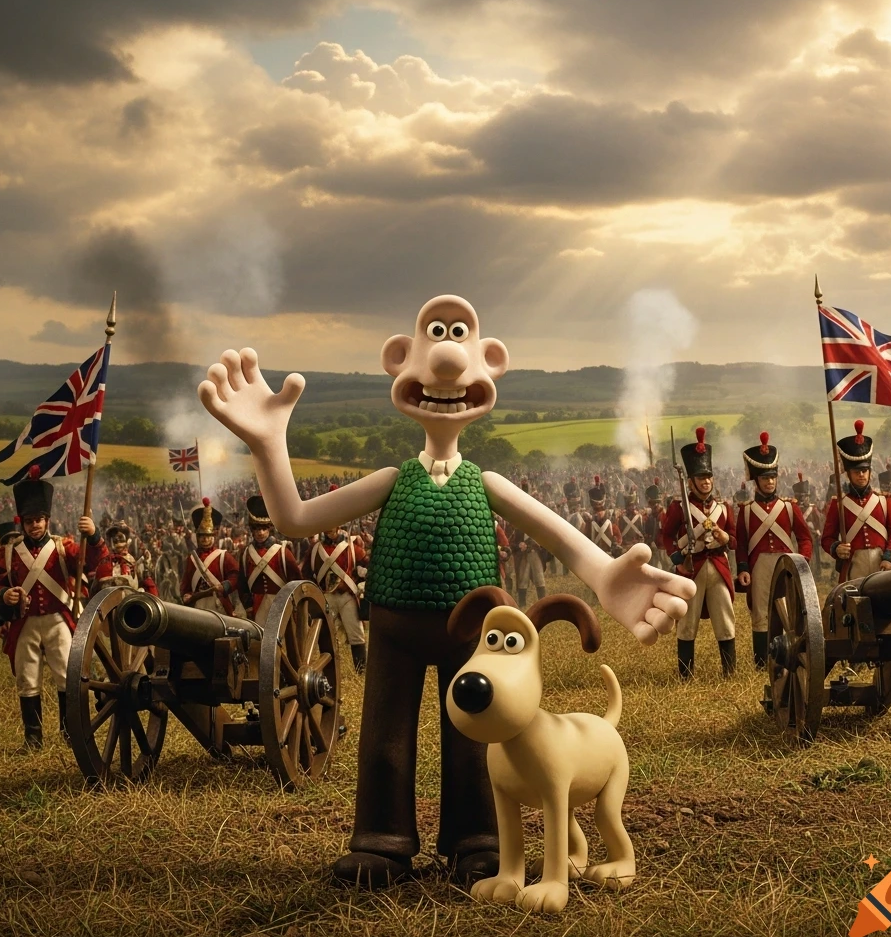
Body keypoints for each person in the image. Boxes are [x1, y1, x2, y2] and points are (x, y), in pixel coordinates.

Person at [198, 294, 694, 890]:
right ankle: (381, 839)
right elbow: (297, 519)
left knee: (476, 734)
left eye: (461, 338)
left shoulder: (487, 482)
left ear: (490, 362)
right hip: (395, 622)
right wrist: (267, 445)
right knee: (385, 734)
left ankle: (478, 837)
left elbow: (559, 538)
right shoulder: (392, 480)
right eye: (436, 336)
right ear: (400, 359)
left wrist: (606, 576)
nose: (450, 361)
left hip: (477, 629)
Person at [0, 468, 104, 749]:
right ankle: (33, 738)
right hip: (25, 622)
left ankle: (67, 731)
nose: (34, 526)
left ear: (47, 520)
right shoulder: (9, 551)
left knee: (66, 675)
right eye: (29, 521)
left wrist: (94, 534)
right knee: (27, 679)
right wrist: (6, 595)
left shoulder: (64, 547)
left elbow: (91, 562)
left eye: (38, 520)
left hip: (57, 620)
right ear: (23, 523)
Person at [662, 427, 737, 679]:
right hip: (690, 570)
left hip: (718, 566)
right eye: (700, 477)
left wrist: (725, 537)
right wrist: (676, 559)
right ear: (690, 481)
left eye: (708, 476)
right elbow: (665, 535)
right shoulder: (678, 506)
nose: (706, 481)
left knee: (725, 620)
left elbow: (734, 539)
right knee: (687, 622)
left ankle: (729, 672)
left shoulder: (723, 507)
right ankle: (685, 675)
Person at [735, 432, 812, 669]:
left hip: (786, 563)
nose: (770, 482)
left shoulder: (789, 507)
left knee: (790, 611)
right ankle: (762, 661)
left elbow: (805, 538)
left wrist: (802, 561)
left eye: (773, 477)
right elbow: (741, 544)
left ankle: (790, 657)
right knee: (760, 614)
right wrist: (743, 568)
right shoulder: (746, 511)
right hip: (759, 568)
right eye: (765, 478)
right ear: (755, 480)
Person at [821, 421, 891, 581]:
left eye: (864, 470)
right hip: (853, 568)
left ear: (870, 472)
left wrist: (889, 557)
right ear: (848, 474)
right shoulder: (838, 504)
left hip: (882, 565)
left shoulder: (884, 501)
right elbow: (827, 538)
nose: (861, 475)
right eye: (857, 471)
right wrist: (836, 548)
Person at [305, 504, 369, 673]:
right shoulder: (314, 550)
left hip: (347, 596)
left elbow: (368, 564)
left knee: (356, 635)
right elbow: (305, 575)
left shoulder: (352, 547)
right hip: (325, 597)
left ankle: (360, 671)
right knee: (325, 636)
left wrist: (363, 572)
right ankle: (328, 671)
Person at [237, 494, 301, 627]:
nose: (260, 533)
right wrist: (249, 606)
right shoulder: (246, 554)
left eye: (263, 528)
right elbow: (242, 583)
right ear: (252, 530)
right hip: (257, 606)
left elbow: (295, 580)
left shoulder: (283, 552)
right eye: (256, 529)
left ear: (269, 529)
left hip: (281, 604)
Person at [179, 498, 239, 614]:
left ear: (214, 536)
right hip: (198, 606)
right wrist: (186, 594)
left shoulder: (223, 556)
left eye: (208, 536)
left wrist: (225, 586)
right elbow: (186, 584)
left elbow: (236, 576)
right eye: (202, 536)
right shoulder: (192, 559)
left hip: (219, 604)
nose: (205, 539)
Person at [94, 525, 158, 595]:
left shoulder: (133, 563)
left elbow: (148, 587)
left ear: (127, 541)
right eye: (115, 539)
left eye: (121, 538)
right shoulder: (104, 563)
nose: (117, 539)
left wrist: (146, 567)